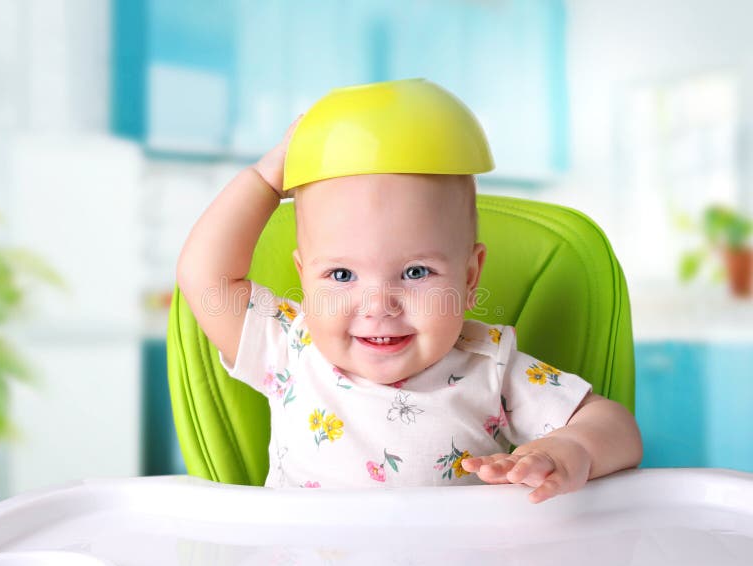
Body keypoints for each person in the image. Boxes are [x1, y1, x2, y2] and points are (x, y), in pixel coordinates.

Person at [177, 79, 642, 503]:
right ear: (304, 279)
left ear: (468, 276)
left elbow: (615, 427)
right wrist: (263, 180)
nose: (379, 306)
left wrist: (568, 448)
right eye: (341, 275)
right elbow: (204, 276)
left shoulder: (491, 366)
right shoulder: (289, 347)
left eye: (416, 272)